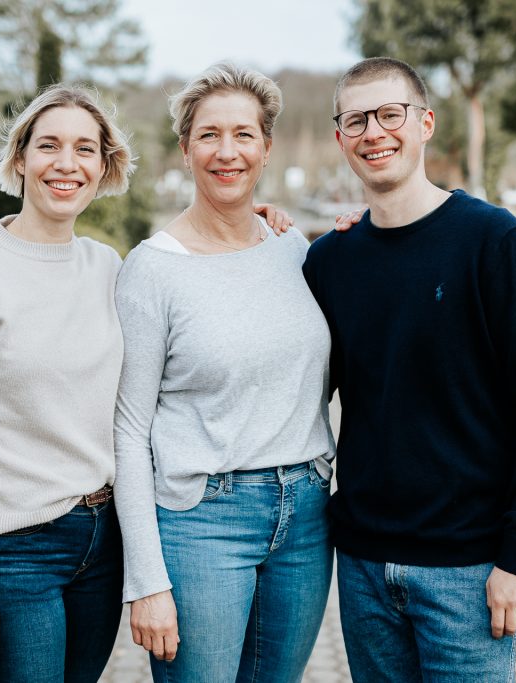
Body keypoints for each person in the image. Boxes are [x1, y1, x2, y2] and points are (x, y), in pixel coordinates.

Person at [0, 83, 295, 683]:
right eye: (49, 146)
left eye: (86, 149)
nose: (66, 163)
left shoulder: (107, 266)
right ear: (20, 158)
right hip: (14, 554)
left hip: (100, 544)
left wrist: (255, 222)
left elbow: (193, 283)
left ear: (105, 165)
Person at [302, 57, 516, 681]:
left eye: (390, 114)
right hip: (364, 566)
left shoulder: (493, 241)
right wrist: (264, 232)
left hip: (470, 572)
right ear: (340, 138)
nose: (375, 132)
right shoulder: (329, 261)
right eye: (356, 120)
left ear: (424, 123)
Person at [113, 63, 335, 683]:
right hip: (203, 522)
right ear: (185, 150)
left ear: (266, 148)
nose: (226, 151)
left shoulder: (293, 248)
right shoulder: (152, 272)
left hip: (307, 517)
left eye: (244, 134)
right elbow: (129, 431)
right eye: (209, 135)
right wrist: (146, 580)